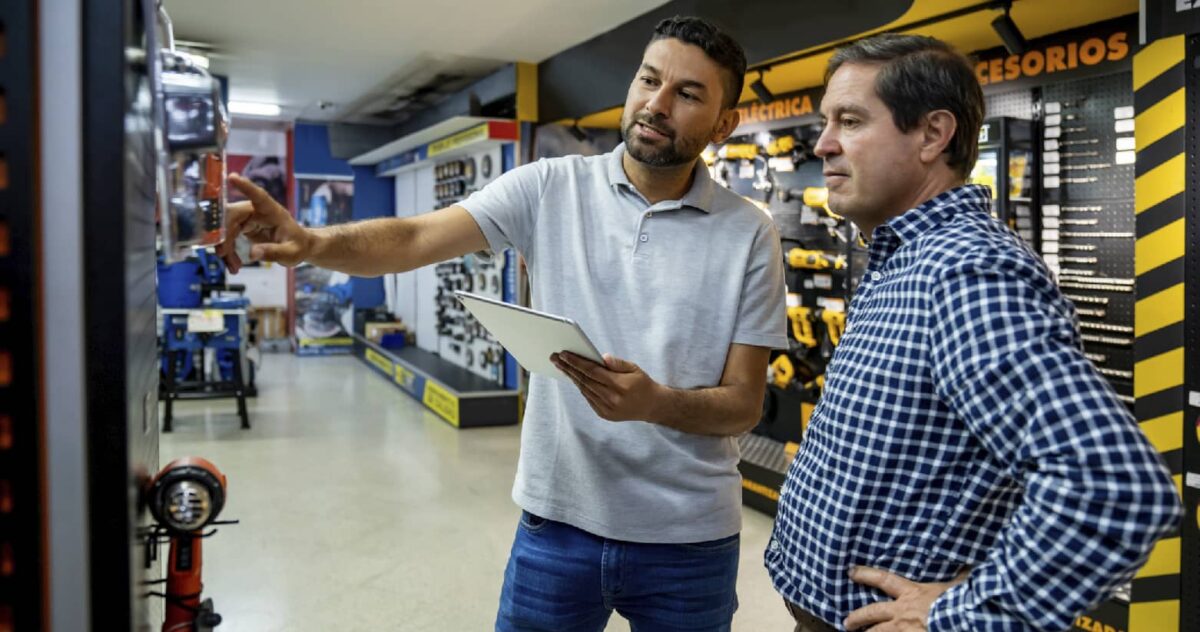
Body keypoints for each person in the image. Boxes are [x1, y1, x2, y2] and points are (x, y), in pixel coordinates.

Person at [218, 16, 787, 632]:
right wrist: (309, 242)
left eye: (688, 93)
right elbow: (412, 238)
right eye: (649, 79)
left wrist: (655, 402)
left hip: (690, 539)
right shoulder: (548, 187)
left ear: (724, 122)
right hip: (557, 522)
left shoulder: (750, 233)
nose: (656, 103)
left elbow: (742, 406)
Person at [765, 34, 1182, 632]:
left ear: (934, 135)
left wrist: (961, 611)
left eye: (850, 121)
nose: (823, 144)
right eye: (826, 121)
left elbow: (1111, 487)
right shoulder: (902, 259)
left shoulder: (965, 270)